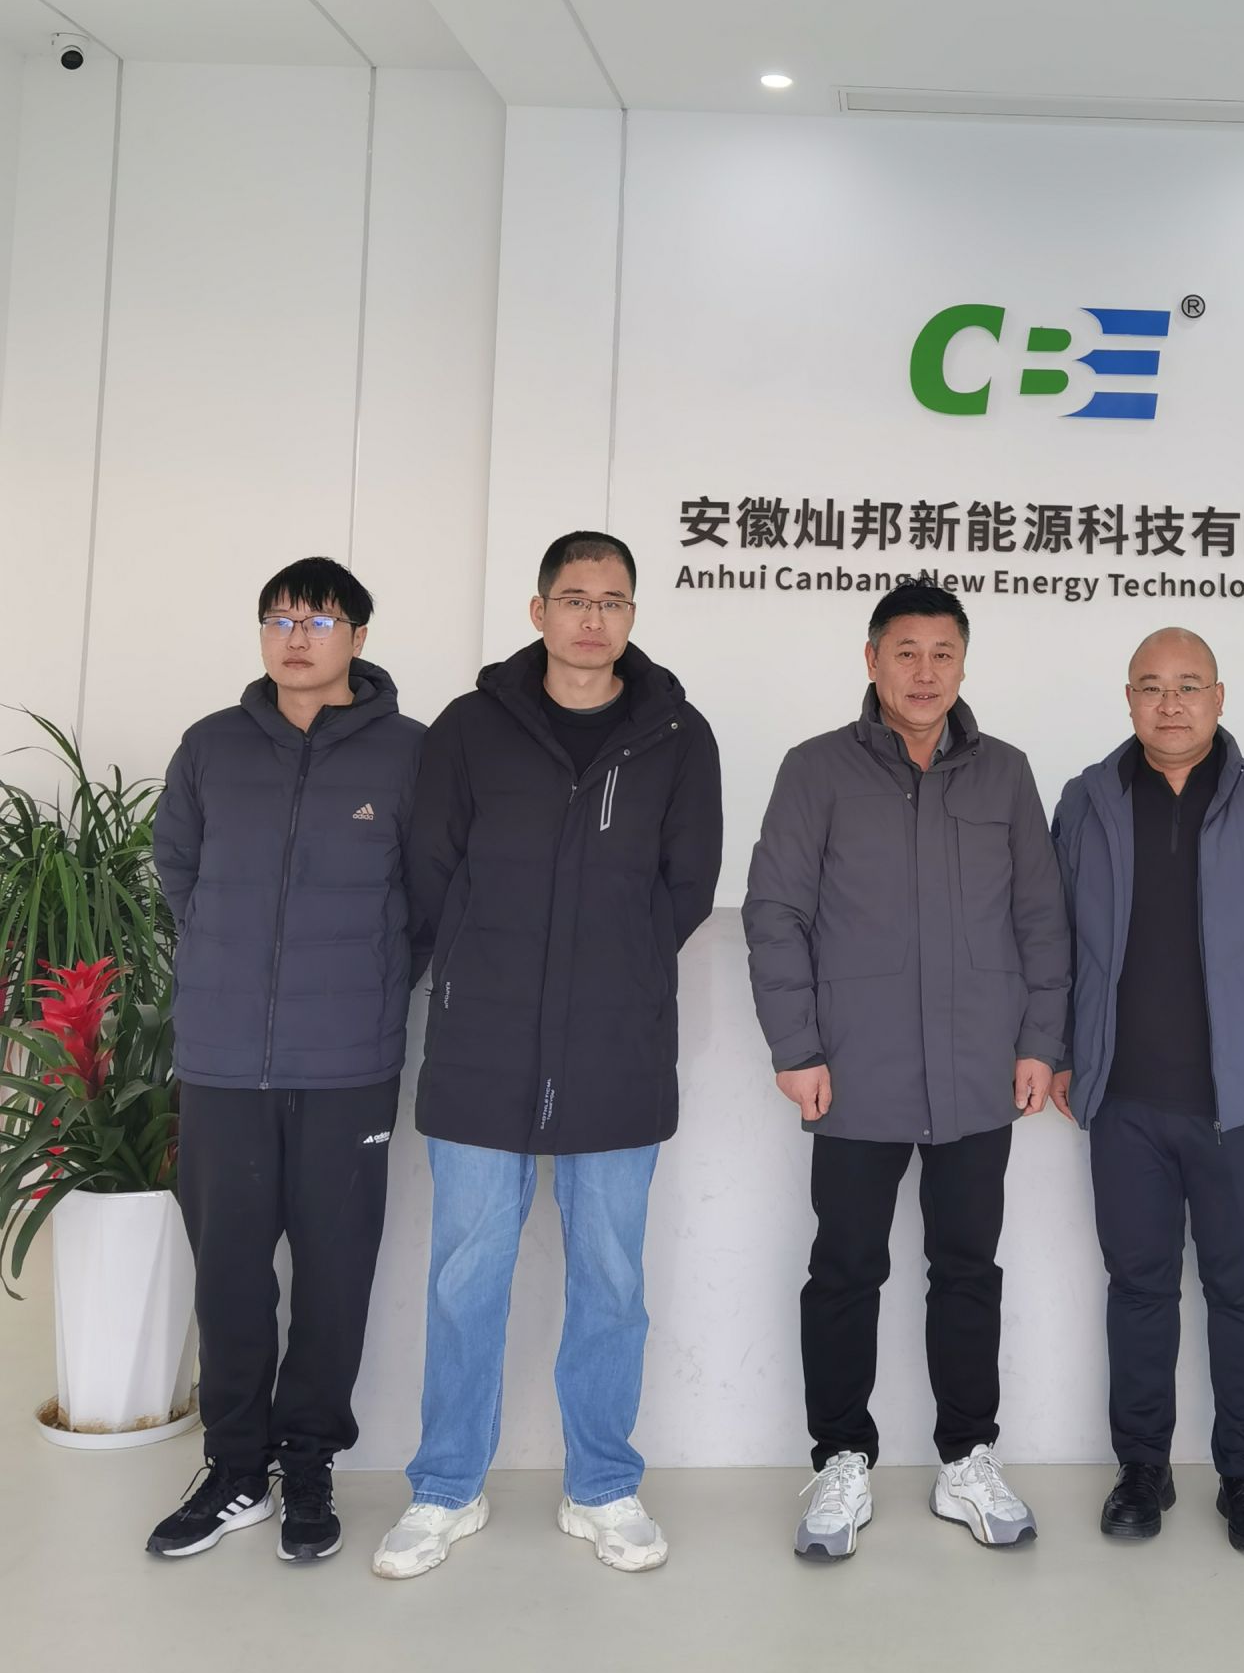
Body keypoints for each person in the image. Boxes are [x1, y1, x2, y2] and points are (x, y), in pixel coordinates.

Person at [371, 531, 721, 1580]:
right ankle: (445, 1487)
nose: (592, 618)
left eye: (612, 600)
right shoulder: (470, 728)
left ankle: (603, 1484)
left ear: (632, 614)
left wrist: (615, 967)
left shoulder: (676, 734)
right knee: (464, 1277)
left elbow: (687, 883)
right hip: (482, 1042)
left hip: (616, 1044)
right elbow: (432, 868)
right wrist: (484, 968)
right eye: (574, 598)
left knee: (612, 1280)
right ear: (538, 611)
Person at [744, 582, 1068, 1562]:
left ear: (963, 664)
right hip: (856, 1072)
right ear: (871, 659)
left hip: (977, 1071)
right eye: (905, 652)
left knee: (967, 1268)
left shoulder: (1005, 774)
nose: (924, 673)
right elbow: (776, 913)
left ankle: (966, 1457)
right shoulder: (816, 770)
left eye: (942, 654)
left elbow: (1041, 917)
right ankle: (840, 1458)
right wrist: (796, 1047)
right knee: (845, 1269)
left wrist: (1038, 1041)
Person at [146, 556, 421, 1565]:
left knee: (336, 1273)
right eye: (279, 619)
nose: (296, 637)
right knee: (228, 1274)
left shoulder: (412, 755)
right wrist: (227, 960)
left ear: (358, 636)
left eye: (319, 619)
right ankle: (233, 1470)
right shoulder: (211, 747)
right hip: (222, 1060)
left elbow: (431, 897)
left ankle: (307, 1461)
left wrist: (367, 976)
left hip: (348, 1060)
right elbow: (179, 868)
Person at [1050, 627, 1244, 1558]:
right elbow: (1053, 938)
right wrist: (1058, 1051)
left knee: (1242, 1287)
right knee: (1136, 1286)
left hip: (1238, 1104)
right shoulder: (1088, 800)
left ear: (1219, 697)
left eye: (1187, 686)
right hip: (1123, 1100)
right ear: (1128, 700)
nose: (1169, 704)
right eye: (1151, 687)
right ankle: (1142, 1469)